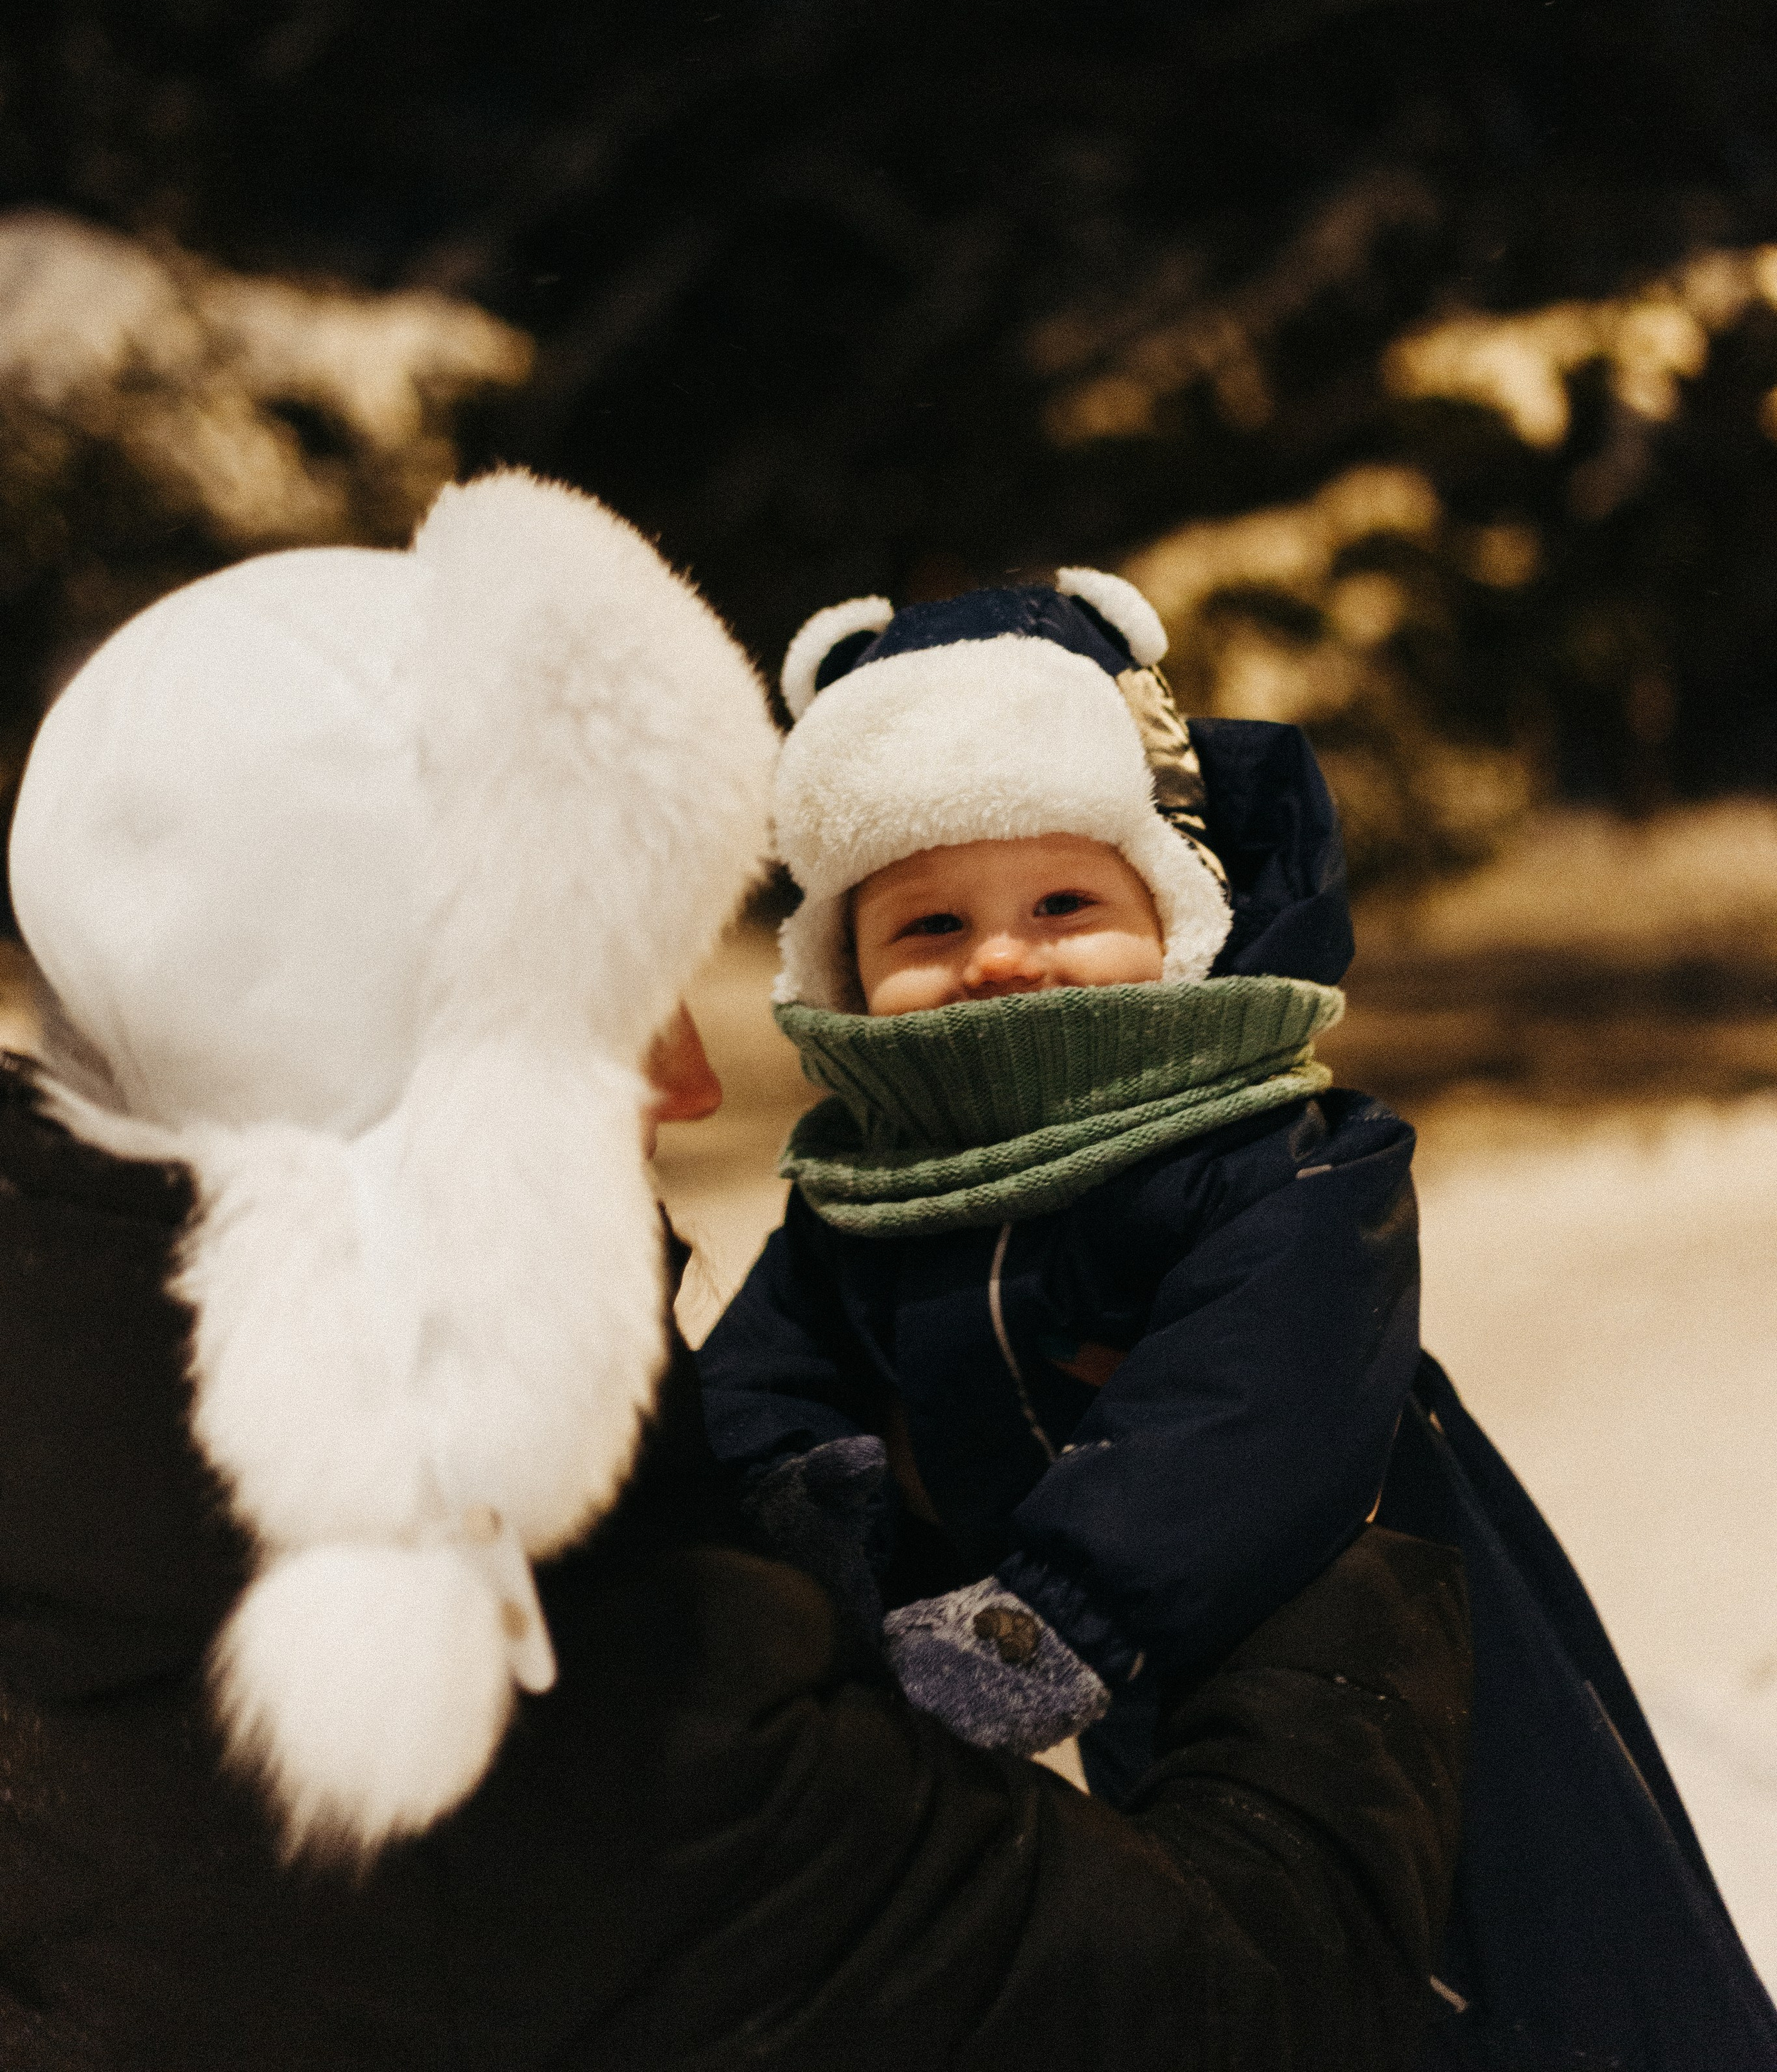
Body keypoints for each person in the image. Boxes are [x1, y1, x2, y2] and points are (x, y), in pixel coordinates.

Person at [0, 471, 1473, 2072]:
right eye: (607, 1005)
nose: (694, 1086)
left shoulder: (79, 1519)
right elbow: (1241, 1999)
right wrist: (1341, 1586)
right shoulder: (617, 1731)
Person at [696, 571, 1777, 2071]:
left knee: (1506, 1944)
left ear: (1175, 919)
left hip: (1367, 1631)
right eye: (928, 924)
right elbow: (766, 1387)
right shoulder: (861, 1200)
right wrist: (805, 1532)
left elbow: (1249, 1406)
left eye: (1062, 903)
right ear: (843, 975)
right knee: (1232, 1968)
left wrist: (1053, 1615)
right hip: (1121, 1690)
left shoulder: (1269, 1154)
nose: (999, 957)